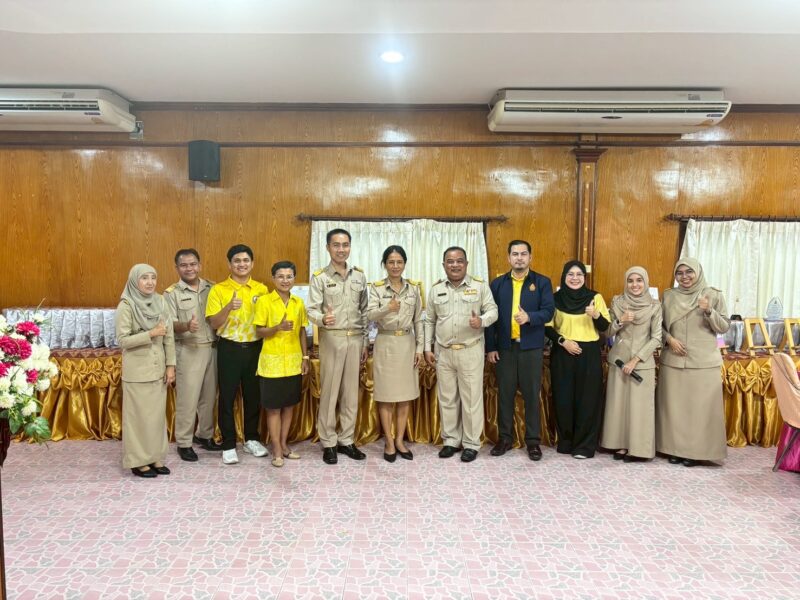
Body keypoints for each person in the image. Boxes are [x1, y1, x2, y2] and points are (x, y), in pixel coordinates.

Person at [424, 247, 498, 462]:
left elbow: (493, 311)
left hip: (470, 350)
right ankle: (451, 441)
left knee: (471, 399)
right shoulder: (436, 289)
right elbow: (429, 320)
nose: (454, 265)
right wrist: (427, 348)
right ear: (444, 265)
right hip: (444, 352)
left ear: (466, 264)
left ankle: (471, 444)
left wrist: (481, 321)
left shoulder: (479, 286)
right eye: (450, 261)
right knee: (447, 398)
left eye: (459, 261)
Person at [656, 258, 730, 467]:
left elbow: (724, 327)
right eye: (679, 273)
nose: (684, 276)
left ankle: (697, 452)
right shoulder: (669, 296)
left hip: (703, 362)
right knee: (674, 409)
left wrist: (709, 311)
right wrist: (669, 339)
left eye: (689, 272)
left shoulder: (713, 294)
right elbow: (658, 325)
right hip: (674, 359)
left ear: (698, 272)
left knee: (699, 410)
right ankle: (674, 449)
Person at [486, 240, 554, 461]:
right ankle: (505, 438)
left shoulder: (542, 282)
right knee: (505, 395)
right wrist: (491, 347)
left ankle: (533, 441)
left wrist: (530, 317)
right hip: (505, 349)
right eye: (515, 254)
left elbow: (549, 312)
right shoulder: (498, 284)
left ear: (530, 257)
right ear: (508, 258)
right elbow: (490, 318)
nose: (519, 258)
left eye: (523, 254)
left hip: (531, 348)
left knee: (531, 395)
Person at [307, 228, 369, 465]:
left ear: (350, 247)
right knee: (330, 392)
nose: (341, 249)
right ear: (328, 248)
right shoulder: (320, 277)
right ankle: (329, 442)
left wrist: (365, 341)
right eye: (336, 245)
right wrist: (323, 319)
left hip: (355, 338)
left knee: (351, 393)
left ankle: (346, 440)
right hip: (332, 338)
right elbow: (311, 310)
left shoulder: (359, 276)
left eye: (345, 245)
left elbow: (365, 311)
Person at [205, 244, 269, 465]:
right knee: (227, 397)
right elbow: (214, 323)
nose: (242, 264)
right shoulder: (219, 289)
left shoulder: (261, 289)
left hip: (255, 348)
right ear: (229, 264)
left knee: (253, 396)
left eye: (245, 260)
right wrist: (228, 307)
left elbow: (266, 320)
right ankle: (229, 444)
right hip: (229, 348)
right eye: (237, 261)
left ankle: (251, 439)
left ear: (252, 263)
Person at [545, 260, 610, 459]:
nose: (575, 278)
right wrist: (563, 341)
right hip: (563, 351)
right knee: (563, 398)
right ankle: (566, 441)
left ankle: (584, 446)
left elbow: (604, 327)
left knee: (588, 399)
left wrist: (595, 314)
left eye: (579, 274)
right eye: (571, 274)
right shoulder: (555, 299)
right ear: (564, 277)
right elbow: (547, 327)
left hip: (588, 353)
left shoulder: (594, 297)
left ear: (584, 277)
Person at [115, 264, 176, 478]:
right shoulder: (126, 305)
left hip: (158, 369)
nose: (150, 282)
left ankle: (155, 457)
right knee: (137, 419)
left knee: (156, 418)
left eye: (153, 277)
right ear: (134, 281)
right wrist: (150, 334)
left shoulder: (160, 301)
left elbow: (169, 336)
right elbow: (122, 340)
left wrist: (170, 366)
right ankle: (138, 461)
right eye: (144, 278)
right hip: (137, 372)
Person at [366, 245, 424, 462]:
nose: (395, 266)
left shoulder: (414, 289)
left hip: (407, 344)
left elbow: (419, 320)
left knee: (405, 396)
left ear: (404, 264)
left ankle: (400, 440)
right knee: (386, 396)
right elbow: (369, 315)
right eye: (391, 262)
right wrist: (387, 308)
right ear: (385, 264)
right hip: (386, 343)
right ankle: (389, 442)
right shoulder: (376, 288)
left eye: (399, 262)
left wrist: (420, 348)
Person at [164, 249, 221, 462]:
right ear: (177, 268)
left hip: (213, 348)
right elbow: (169, 325)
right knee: (188, 400)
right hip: (188, 350)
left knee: (209, 397)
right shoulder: (171, 294)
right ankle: (184, 442)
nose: (189, 268)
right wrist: (186, 325)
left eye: (193, 264)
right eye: (184, 265)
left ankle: (204, 435)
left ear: (200, 265)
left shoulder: (212, 288)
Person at [601, 266, 662, 462]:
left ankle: (639, 449)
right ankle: (620, 444)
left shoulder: (654, 305)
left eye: (639, 280)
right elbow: (607, 332)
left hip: (642, 363)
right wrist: (620, 321)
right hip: (619, 360)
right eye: (630, 280)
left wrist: (636, 360)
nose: (634, 284)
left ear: (645, 282)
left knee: (640, 408)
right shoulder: (617, 302)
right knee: (619, 405)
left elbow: (657, 337)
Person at [254, 261, 309, 467]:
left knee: (289, 407)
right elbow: (259, 331)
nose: (285, 280)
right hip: (272, 364)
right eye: (280, 276)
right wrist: (277, 327)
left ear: (294, 278)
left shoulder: (298, 303)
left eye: (289, 276)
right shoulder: (264, 301)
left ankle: (285, 445)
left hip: (293, 363)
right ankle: (276, 448)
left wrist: (305, 358)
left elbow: (302, 331)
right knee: (274, 409)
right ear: (273, 278)